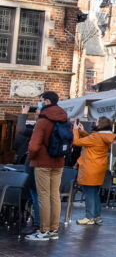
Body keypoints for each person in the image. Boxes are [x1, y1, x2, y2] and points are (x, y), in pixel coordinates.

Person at [26, 91, 67, 241]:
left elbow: (34, 145)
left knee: (43, 196)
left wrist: (31, 157)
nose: (40, 102)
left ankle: (43, 230)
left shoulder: (43, 120)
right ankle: (53, 230)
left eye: (41, 100)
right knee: (55, 195)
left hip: (42, 162)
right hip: (59, 161)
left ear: (47, 101)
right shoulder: (63, 118)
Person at [72, 117, 116, 225]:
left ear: (100, 125)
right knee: (94, 192)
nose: (95, 123)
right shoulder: (104, 136)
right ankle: (96, 216)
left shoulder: (96, 136)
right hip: (99, 168)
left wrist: (75, 130)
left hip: (90, 168)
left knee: (89, 193)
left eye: (96, 122)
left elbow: (77, 142)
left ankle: (89, 217)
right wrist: (83, 132)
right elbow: (91, 141)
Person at [14, 106, 40, 232]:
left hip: (35, 163)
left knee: (34, 193)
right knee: (40, 194)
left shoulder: (41, 126)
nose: (35, 110)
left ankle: (39, 224)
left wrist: (24, 113)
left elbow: (21, 129)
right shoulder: (53, 124)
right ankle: (42, 225)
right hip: (46, 164)